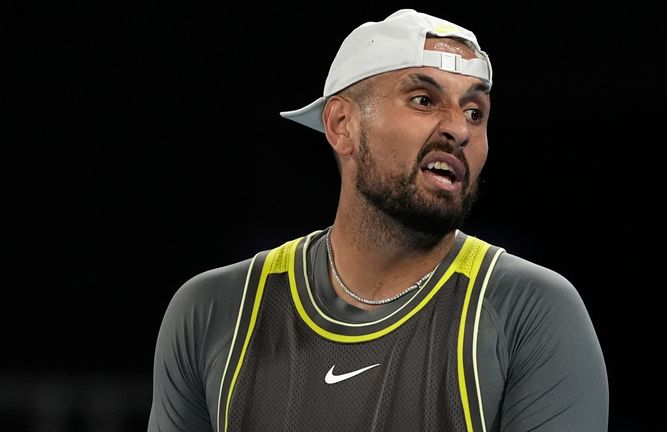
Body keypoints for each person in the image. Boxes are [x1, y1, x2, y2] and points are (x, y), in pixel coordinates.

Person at [148, 8, 609, 432]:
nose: (459, 128)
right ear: (342, 126)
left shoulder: (532, 312)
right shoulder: (212, 312)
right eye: (424, 100)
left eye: (475, 112)